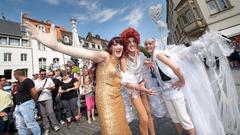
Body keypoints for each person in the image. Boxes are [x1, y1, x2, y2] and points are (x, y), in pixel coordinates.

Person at [24, 21, 155, 135]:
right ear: (110, 47)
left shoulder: (119, 63)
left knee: (123, 127)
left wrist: (139, 83)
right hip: (106, 100)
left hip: (118, 99)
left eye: (121, 44)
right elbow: (85, 53)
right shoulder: (104, 56)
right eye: (115, 44)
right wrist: (57, 46)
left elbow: (127, 80)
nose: (119, 46)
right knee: (112, 129)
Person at [120, 28, 156, 135]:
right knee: (144, 118)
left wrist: (148, 64)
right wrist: (137, 87)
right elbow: (126, 80)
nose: (131, 44)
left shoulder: (140, 55)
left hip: (143, 86)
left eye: (133, 41)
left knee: (148, 113)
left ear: (137, 41)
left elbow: (146, 66)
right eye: (128, 42)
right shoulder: (123, 59)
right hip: (133, 90)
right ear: (125, 44)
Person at [13, 69, 41, 135]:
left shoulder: (27, 81)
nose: (14, 76)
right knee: (20, 125)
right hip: (18, 105)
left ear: (17, 75)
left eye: (14, 75)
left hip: (26, 104)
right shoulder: (20, 82)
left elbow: (34, 92)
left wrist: (34, 101)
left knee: (31, 123)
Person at [34, 69, 60, 135]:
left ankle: (55, 125)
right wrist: (38, 90)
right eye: (42, 74)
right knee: (43, 115)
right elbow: (33, 92)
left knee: (51, 112)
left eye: (44, 74)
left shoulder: (48, 80)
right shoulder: (35, 81)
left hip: (48, 98)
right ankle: (46, 128)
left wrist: (51, 88)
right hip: (39, 100)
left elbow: (54, 87)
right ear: (39, 74)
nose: (43, 75)